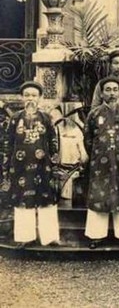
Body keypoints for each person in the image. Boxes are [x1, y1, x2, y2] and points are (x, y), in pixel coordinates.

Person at [3, 82, 60, 247]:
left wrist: (54, 162)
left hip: (43, 165)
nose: (30, 98)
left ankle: (49, 237)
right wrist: (6, 165)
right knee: (22, 199)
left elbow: (53, 141)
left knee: (46, 199)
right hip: (20, 166)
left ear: (40, 97)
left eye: (34, 95)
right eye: (27, 95)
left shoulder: (46, 118)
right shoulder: (15, 119)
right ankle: (25, 237)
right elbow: (8, 142)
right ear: (22, 97)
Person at [83, 76, 119, 249]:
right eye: (108, 90)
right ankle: (96, 235)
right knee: (100, 195)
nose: (112, 93)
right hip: (100, 163)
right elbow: (88, 139)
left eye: (115, 89)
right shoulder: (94, 114)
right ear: (102, 92)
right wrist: (98, 155)